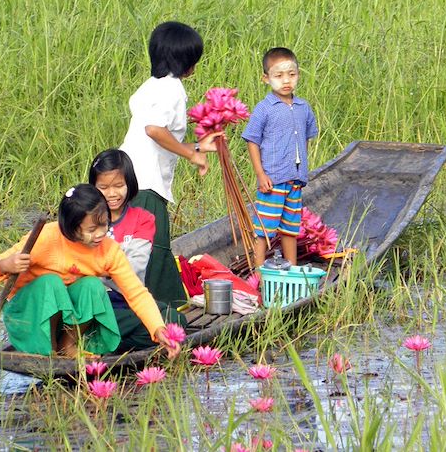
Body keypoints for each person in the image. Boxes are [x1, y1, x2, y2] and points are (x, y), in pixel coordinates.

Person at [0, 184, 181, 359]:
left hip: (66, 317)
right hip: (31, 316)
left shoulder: (108, 250)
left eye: (104, 225)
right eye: (91, 229)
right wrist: (5, 265)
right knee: (51, 282)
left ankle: (67, 344)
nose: (100, 234)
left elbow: (135, 292)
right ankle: (50, 349)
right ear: (71, 229)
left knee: (92, 285)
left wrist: (158, 328)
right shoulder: (45, 238)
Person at [119, 21, 222, 307]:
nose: (195, 68)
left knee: (132, 246)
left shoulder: (151, 87)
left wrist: (200, 146)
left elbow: (155, 138)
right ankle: (165, 312)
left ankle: (138, 306)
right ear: (184, 63)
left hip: (128, 176)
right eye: (193, 61)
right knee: (154, 248)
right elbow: (155, 130)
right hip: (146, 185)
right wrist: (192, 155)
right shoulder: (173, 90)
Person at [88, 148, 187, 352]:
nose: (112, 194)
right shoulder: (86, 219)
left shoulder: (143, 219)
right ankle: (103, 335)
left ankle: (99, 340)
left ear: (129, 184)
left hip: (130, 299)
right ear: (94, 188)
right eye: (103, 187)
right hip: (95, 301)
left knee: (176, 321)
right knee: (96, 313)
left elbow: (133, 269)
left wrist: (99, 268)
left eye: (118, 186)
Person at [242, 47, 319, 267]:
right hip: (273, 179)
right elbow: (252, 140)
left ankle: (292, 269)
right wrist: (260, 173)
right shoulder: (265, 108)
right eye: (279, 75)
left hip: (295, 179)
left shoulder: (304, 108)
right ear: (266, 78)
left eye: (291, 74)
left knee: (290, 228)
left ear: (298, 75)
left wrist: (302, 170)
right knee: (265, 228)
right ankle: (258, 271)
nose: (286, 80)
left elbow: (304, 140)